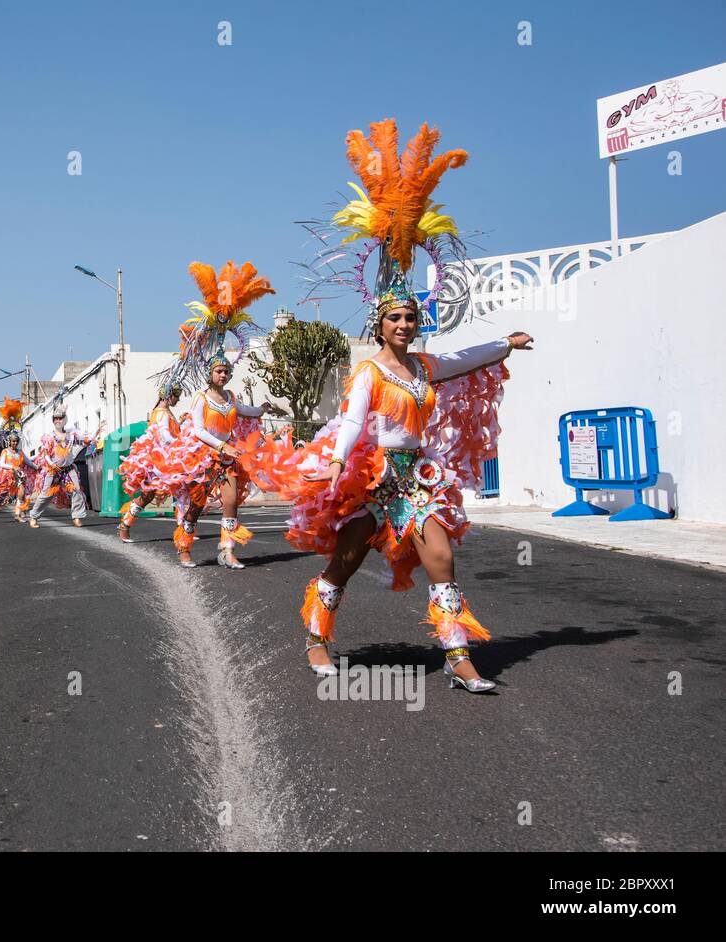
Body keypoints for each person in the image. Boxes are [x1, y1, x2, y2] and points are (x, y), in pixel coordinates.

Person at [241, 118, 527, 692]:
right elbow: (349, 419)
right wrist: (338, 460)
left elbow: (466, 356)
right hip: (370, 478)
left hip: (417, 478)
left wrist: (506, 343)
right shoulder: (369, 370)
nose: (404, 324)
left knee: (441, 557)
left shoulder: (424, 366)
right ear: (380, 323)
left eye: (411, 317)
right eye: (395, 317)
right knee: (345, 562)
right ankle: (318, 638)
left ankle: (457, 654)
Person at [147, 260, 277, 568]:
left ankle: (227, 551)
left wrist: (263, 409)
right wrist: (220, 446)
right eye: (219, 371)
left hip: (227, 457)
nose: (223, 375)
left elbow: (243, 411)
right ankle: (184, 546)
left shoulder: (230, 396)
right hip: (203, 455)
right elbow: (199, 431)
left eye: (226, 371)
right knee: (196, 505)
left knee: (231, 504)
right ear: (210, 373)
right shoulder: (200, 398)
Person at [117, 379, 184, 543]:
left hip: (165, 460)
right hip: (161, 463)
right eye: (177, 396)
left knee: (182, 493)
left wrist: (180, 423)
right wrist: (182, 443)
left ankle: (184, 530)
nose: (178, 400)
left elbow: (168, 433)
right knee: (150, 496)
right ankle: (125, 525)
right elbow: (165, 436)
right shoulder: (162, 413)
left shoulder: (164, 412)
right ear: (169, 396)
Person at [27, 405, 102, 528]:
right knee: (45, 494)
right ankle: (34, 516)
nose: (58, 421)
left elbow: (85, 441)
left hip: (68, 468)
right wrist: (51, 464)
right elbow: (45, 453)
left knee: (77, 490)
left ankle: (77, 517)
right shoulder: (50, 437)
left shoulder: (71, 435)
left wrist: (94, 435)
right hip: (53, 469)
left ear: (64, 419)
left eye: (60, 418)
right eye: (55, 419)